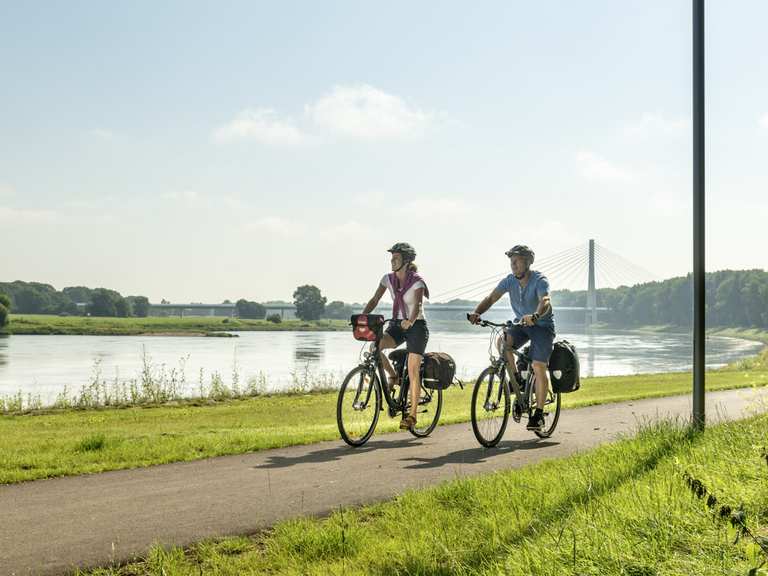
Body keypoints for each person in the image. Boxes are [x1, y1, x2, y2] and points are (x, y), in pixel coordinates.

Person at [467, 245, 554, 431]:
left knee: (538, 366)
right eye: (511, 261)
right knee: (502, 342)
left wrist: (536, 316)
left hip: (541, 327)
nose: (513, 264)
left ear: (528, 262)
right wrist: (477, 312)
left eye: (517, 260)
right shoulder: (509, 281)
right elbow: (491, 298)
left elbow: (545, 300)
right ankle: (516, 379)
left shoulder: (539, 280)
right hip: (521, 325)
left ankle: (538, 416)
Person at [361, 242, 430, 431]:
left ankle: (412, 415)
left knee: (412, 369)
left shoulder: (417, 281)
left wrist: (410, 320)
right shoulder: (387, 279)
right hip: (397, 325)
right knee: (375, 347)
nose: (392, 261)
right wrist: (363, 316)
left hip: (416, 327)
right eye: (391, 258)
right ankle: (393, 376)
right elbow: (375, 299)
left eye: (396, 258)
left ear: (406, 261)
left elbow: (417, 306)